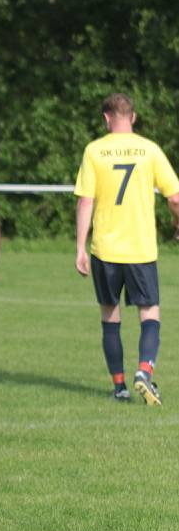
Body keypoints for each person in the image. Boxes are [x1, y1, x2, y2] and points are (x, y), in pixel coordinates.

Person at [75, 93, 179, 405]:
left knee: (110, 317)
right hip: (141, 249)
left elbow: (85, 200)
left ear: (107, 118)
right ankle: (144, 371)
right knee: (150, 313)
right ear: (132, 117)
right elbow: (175, 197)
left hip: (105, 249)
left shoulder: (95, 150)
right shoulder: (149, 150)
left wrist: (80, 246)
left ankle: (119, 386)